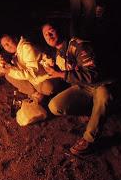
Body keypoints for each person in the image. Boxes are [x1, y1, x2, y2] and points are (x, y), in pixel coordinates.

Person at [41, 22, 112, 155]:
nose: (49, 36)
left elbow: (92, 75)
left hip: (101, 84)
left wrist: (59, 74)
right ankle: (92, 112)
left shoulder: (78, 45)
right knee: (55, 106)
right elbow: (70, 76)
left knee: (104, 96)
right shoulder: (58, 54)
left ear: (59, 30)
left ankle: (89, 139)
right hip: (83, 86)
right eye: (45, 35)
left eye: (51, 31)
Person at [0, 34, 58, 103]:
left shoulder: (26, 48)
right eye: (5, 45)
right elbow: (1, 58)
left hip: (46, 79)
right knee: (8, 74)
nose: (8, 46)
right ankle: (35, 94)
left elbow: (31, 73)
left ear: (15, 39)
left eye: (8, 41)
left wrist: (9, 70)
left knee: (9, 73)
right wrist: (0, 62)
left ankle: (39, 95)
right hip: (36, 79)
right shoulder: (17, 53)